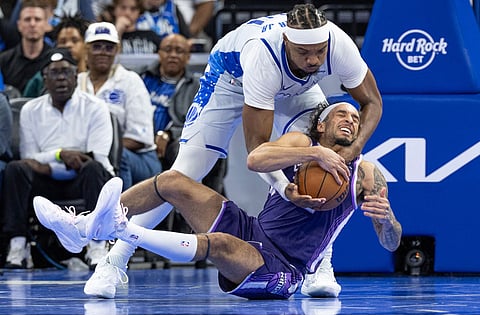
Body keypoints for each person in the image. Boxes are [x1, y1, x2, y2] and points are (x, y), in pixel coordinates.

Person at [62, 3, 382, 298]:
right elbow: (256, 151)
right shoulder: (263, 56)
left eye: (318, 52)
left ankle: (319, 264)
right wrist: (285, 187)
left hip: (298, 89)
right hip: (231, 80)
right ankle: (114, 261)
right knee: (184, 174)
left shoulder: (338, 45)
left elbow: (373, 103)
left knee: (334, 148)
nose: (314, 60)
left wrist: (350, 150)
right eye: (303, 52)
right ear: (287, 41)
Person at [34, 102, 402, 299]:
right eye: (342, 113)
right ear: (320, 125)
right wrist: (304, 166)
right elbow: (255, 159)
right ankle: (83, 227)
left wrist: (386, 220)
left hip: (283, 267)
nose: (351, 120)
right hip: (253, 230)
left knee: (220, 245)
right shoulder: (301, 145)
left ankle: (122, 230)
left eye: (356, 117)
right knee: (173, 180)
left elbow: (392, 242)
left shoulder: (366, 173)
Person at [0, 48, 115, 269]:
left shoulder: (96, 107)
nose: (61, 78)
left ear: (76, 75)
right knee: (16, 169)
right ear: (44, 78)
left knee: (92, 168)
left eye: (66, 72)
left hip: (84, 180)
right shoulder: (30, 110)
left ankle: (97, 244)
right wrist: (60, 154)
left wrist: (47, 165)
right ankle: (18, 245)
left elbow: (96, 156)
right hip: (46, 185)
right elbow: (29, 158)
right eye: (54, 73)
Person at [142, 33, 226, 267]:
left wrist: (167, 134)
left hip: (177, 143)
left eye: (179, 50)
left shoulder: (197, 85)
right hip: (141, 143)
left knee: (206, 155)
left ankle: (199, 229)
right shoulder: (142, 80)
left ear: (188, 57)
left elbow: (199, 121)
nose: (173, 55)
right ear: (159, 54)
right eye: (168, 49)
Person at [78, 21, 160, 191]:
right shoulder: (77, 83)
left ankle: (120, 213)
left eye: (109, 47)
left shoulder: (130, 81)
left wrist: (99, 148)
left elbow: (139, 139)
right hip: (90, 155)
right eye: (97, 46)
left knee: (116, 153)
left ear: (117, 50)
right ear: (86, 49)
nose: (103, 52)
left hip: (140, 159)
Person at [23, 13, 90, 97]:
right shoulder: (41, 78)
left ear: (86, 44)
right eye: (63, 41)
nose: (68, 45)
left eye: (74, 40)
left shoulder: (94, 76)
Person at [0, 0, 52, 94]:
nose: (32, 24)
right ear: (19, 25)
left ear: (46, 25)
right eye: (27, 19)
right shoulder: (4, 60)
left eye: (37, 19)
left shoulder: (54, 59)